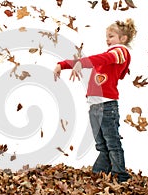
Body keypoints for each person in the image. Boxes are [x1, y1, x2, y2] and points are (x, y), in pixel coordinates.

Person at [54, 18, 137, 183]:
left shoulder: (121, 52)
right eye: (107, 36)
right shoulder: (109, 55)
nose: (108, 39)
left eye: (111, 36)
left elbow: (102, 59)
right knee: (102, 145)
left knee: (112, 143)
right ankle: (99, 174)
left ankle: (121, 176)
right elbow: (99, 60)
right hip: (95, 106)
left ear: (123, 39)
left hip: (107, 106)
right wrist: (62, 65)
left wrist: (81, 63)